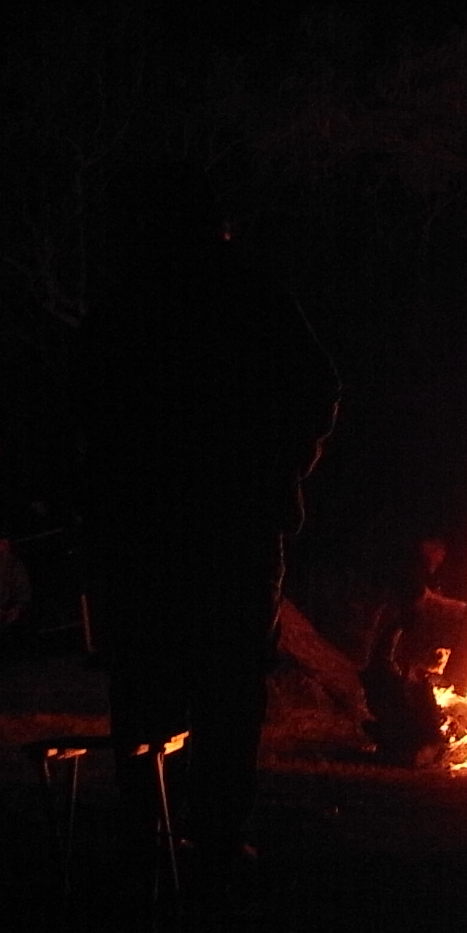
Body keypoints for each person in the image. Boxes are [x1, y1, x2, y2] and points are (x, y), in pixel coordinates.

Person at [78, 162, 339, 869]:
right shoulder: (248, 293)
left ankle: (149, 825)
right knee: (227, 682)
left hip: (151, 522)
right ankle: (214, 831)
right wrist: (282, 466)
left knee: (148, 680)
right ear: (218, 228)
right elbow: (318, 388)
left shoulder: (130, 300)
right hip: (229, 520)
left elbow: (82, 405)